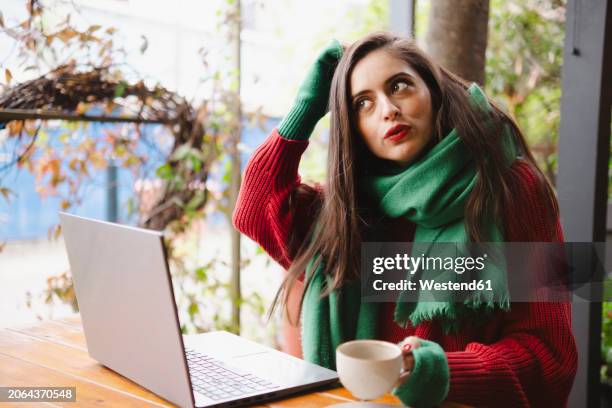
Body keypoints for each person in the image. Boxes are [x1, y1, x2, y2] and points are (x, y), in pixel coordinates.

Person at [232, 32, 577, 407]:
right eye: (362, 103)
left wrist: (440, 372)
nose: (387, 109)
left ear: (433, 90)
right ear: (352, 127)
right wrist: (308, 106)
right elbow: (255, 206)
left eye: (399, 86)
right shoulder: (345, 212)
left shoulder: (514, 189)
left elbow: (550, 355)